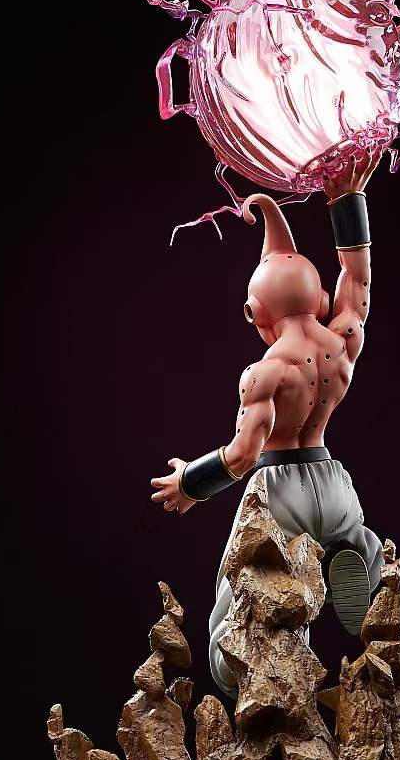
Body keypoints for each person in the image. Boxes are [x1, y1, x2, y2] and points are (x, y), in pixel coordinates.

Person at [151, 150, 384, 696]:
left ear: (255, 313)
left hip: (277, 492)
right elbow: (358, 277)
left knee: (241, 588)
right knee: (359, 542)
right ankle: (352, 559)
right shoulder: (342, 341)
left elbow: (242, 456)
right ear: (320, 297)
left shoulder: (266, 372)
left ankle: (250, 667)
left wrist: (189, 482)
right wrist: (348, 201)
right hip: (332, 477)